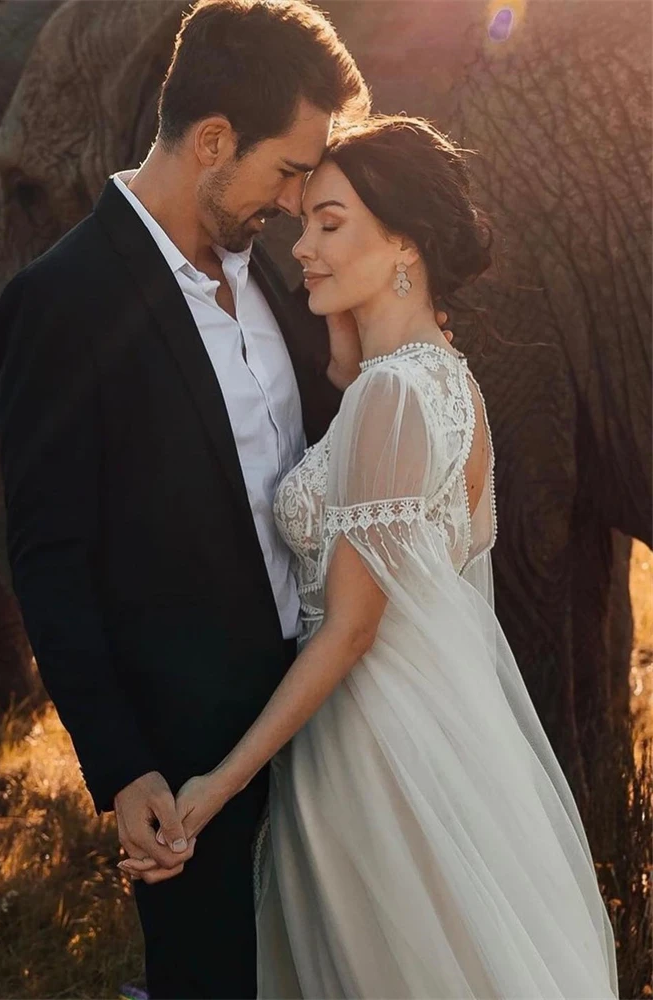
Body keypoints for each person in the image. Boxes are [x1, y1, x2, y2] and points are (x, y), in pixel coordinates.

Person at [169, 115, 619, 997]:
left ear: (404, 242)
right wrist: (348, 351)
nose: (303, 247)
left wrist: (220, 784)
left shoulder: (392, 396)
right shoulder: (450, 381)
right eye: (304, 224)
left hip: (371, 754)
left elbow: (349, 630)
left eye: (331, 224)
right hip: (441, 737)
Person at [0, 1, 371, 995]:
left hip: (329, 717)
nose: (296, 201)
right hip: (190, 761)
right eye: (288, 169)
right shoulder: (59, 303)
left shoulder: (289, 276)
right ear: (211, 141)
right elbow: (49, 559)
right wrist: (121, 767)